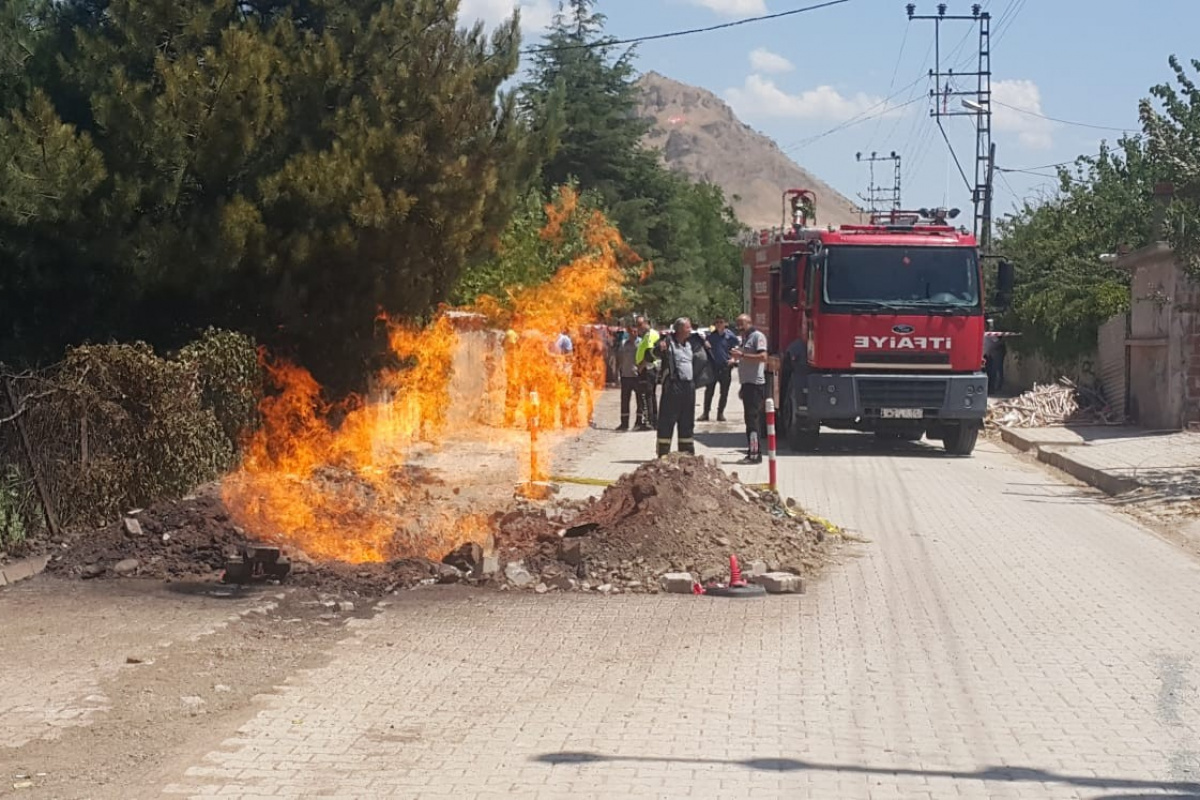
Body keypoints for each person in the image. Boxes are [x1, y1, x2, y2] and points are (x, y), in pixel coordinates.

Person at [654, 318, 698, 457]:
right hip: (673, 386)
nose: (690, 330)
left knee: (687, 421)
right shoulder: (667, 342)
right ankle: (663, 455)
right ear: (679, 329)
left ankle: (686, 455)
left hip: (689, 387)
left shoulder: (693, 343)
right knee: (667, 420)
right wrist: (658, 348)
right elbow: (652, 355)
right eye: (687, 327)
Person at [732, 313, 768, 464]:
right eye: (738, 324)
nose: (739, 327)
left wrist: (741, 355)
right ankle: (752, 451)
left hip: (755, 385)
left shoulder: (757, 336)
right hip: (747, 384)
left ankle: (755, 454)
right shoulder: (745, 338)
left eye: (742, 324)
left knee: (753, 421)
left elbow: (763, 357)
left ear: (749, 322)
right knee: (748, 420)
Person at [700, 316, 738, 422]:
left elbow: (737, 348)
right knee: (709, 391)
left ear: (725, 323)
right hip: (713, 367)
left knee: (724, 392)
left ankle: (720, 413)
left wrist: (733, 359)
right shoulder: (711, 336)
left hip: (725, 367)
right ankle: (705, 413)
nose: (719, 324)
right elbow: (705, 348)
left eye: (721, 322)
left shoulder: (730, 336)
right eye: (716, 322)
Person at [634, 316, 659, 431]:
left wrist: (641, 366)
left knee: (646, 395)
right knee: (650, 395)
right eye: (637, 325)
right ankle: (654, 421)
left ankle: (648, 422)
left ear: (646, 323)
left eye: (640, 324)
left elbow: (649, 353)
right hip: (648, 369)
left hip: (647, 369)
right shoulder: (646, 335)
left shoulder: (650, 335)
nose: (638, 327)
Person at [614, 326, 642, 431]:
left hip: (637, 376)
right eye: (631, 331)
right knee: (624, 401)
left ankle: (639, 422)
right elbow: (619, 359)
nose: (633, 333)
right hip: (625, 376)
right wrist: (617, 373)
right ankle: (624, 424)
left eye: (635, 331)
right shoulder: (624, 343)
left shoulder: (641, 343)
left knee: (640, 400)